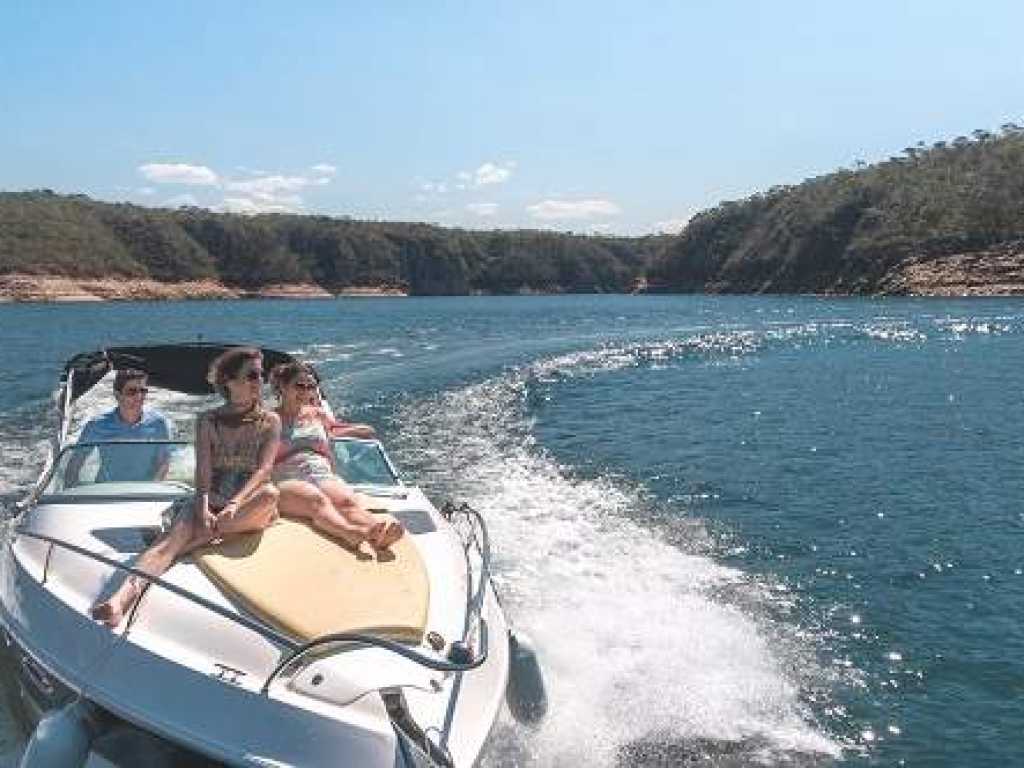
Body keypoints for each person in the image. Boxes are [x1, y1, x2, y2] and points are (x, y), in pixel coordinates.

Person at [91, 347, 281, 628]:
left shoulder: (270, 421)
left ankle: (196, 539)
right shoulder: (207, 420)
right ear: (228, 381)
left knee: (271, 494)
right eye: (252, 375)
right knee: (167, 544)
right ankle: (120, 600)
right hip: (211, 497)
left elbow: (264, 470)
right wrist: (204, 506)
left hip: (249, 503)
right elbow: (203, 469)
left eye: (261, 375)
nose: (259, 381)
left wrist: (233, 505)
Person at [270, 361, 403, 549]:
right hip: (285, 479)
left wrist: (363, 430)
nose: (305, 391)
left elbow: (337, 431)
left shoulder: (318, 415)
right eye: (299, 385)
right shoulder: (267, 419)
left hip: (320, 473)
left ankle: (376, 531)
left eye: (311, 387)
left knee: (346, 501)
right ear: (282, 387)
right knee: (315, 499)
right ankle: (350, 533)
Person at [67, 369, 174, 485]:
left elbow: (163, 462)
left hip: (144, 495)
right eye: (132, 391)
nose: (139, 396)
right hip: (106, 493)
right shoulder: (96, 425)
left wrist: (152, 489)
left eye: (143, 391)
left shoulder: (158, 424)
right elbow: (74, 465)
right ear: (117, 395)